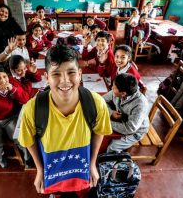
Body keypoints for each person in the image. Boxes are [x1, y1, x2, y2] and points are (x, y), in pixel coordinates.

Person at [18, 45, 112, 196]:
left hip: (82, 172)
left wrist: (92, 164)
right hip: (53, 175)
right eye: (56, 74)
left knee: (83, 193)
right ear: (46, 78)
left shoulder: (95, 103)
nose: (65, 81)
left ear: (80, 74)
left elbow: (99, 132)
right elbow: (28, 140)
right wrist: (40, 170)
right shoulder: (33, 109)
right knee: (57, 194)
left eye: (71, 72)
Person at [103, 73, 149, 153]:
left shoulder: (140, 105)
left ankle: (110, 163)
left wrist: (107, 123)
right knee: (102, 137)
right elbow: (102, 100)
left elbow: (130, 128)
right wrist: (111, 112)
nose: (111, 88)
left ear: (123, 93)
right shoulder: (118, 91)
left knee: (113, 147)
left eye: (114, 87)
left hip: (136, 132)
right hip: (122, 122)